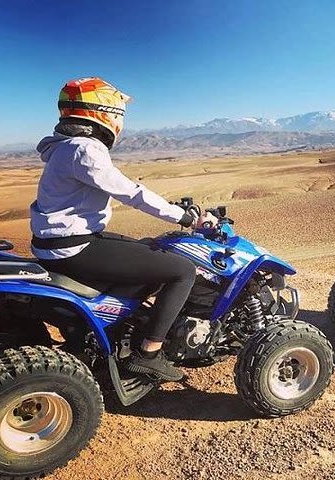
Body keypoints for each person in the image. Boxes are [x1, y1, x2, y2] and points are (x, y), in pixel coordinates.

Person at [30, 77, 217, 381]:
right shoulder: (83, 149)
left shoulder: (64, 147)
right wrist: (184, 217)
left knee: (146, 248)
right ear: (103, 113)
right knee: (182, 271)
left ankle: (120, 326)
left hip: (58, 242)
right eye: (118, 114)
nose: (120, 121)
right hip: (73, 247)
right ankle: (149, 353)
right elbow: (130, 192)